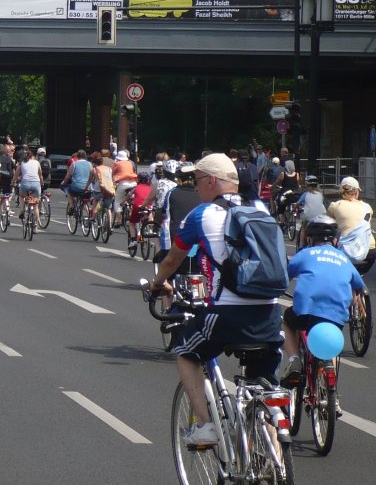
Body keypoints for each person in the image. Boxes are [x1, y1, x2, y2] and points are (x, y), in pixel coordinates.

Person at [148, 153, 283, 446]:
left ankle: (206, 426)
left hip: (228, 314)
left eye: (197, 181)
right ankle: (275, 459)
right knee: (265, 387)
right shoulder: (261, 210)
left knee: (185, 351)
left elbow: (173, 258)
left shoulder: (202, 214)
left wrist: (158, 284)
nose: (195, 188)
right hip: (271, 315)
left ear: (211, 181)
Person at [280, 216, 365, 390]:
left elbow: (283, 276)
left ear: (309, 239)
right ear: (335, 240)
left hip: (306, 312)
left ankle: (294, 360)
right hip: (337, 315)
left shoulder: (304, 254)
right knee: (329, 344)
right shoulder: (343, 258)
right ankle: (330, 386)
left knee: (286, 320)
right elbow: (360, 286)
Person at [327, 176, 375, 260]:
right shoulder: (367, 207)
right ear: (357, 192)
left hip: (347, 250)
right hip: (369, 249)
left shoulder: (335, 206)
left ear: (341, 191)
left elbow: (329, 224)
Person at [13, 148, 43, 230]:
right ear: (32, 156)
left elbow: (16, 175)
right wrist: (42, 183)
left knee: (22, 196)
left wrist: (12, 183)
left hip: (25, 183)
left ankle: (22, 210)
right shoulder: (37, 163)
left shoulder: (21, 163)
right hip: (36, 184)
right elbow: (40, 175)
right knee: (36, 206)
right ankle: (35, 227)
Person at [296, 175, 326, 248]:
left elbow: (297, 204)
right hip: (321, 217)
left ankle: (301, 245)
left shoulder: (305, 194)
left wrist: (295, 209)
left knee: (303, 228)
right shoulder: (321, 194)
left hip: (309, 217)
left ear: (307, 185)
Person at [61, 149, 94, 214]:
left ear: (77, 156)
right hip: (88, 188)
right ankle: (88, 213)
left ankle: (71, 206)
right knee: (84, 199)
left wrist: (64, 182)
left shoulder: (74, 164)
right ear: (85, 156)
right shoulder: (90, 164)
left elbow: (68, 176)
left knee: (68, 190)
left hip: (77, 187)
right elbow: (92, 175)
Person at [112, 149, 137, 220]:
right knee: (131, 199)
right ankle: (130, 211)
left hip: (123, 183)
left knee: (117, 200)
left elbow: (112, 173)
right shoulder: (130, 163)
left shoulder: (117, 164)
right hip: (133, 182)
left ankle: (119, 219)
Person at [274, 159, 300, 226]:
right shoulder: (297, 174)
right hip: (294, 194)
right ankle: (295, 215)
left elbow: (277, 182)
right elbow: (298, 184)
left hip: (285, 194)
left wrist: (272, 186)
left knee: (281, 207)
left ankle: (282, 222)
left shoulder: (283, 174)